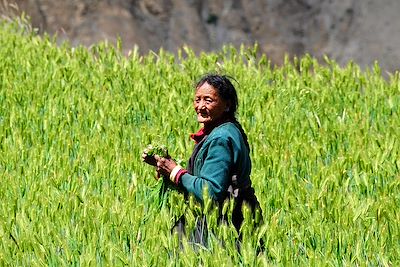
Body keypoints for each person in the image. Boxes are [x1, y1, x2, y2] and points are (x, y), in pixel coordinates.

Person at [142, 74, 262, 245]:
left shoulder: (221, 139)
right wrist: (166, 167)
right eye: (197, 99)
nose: (200, 106)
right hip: (227, 220)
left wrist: (175, 172)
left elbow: (210, 191)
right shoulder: (224, 130)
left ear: (227, 104)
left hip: (226, 226)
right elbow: (202, 179)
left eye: (208, 100)